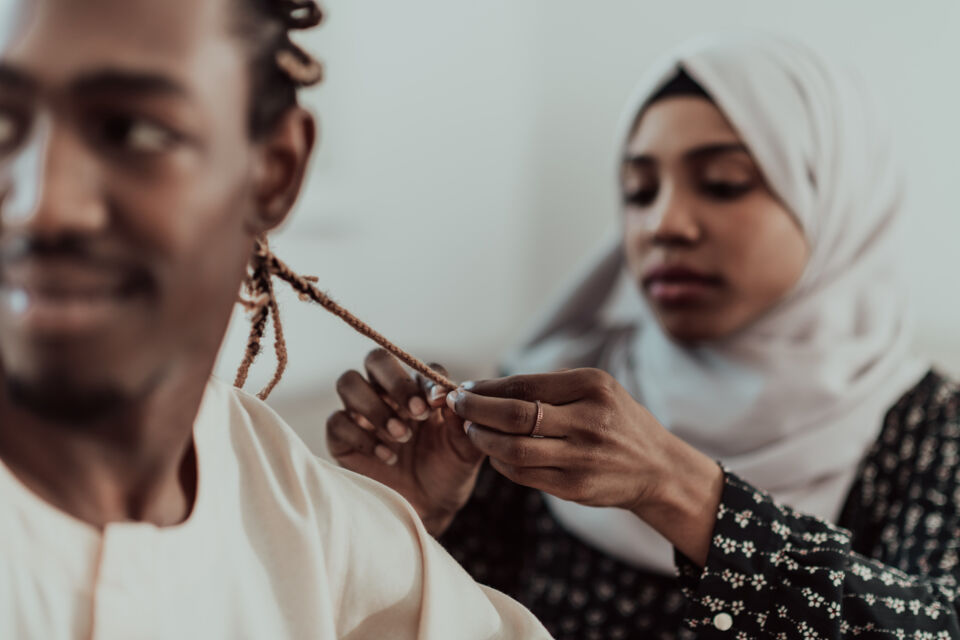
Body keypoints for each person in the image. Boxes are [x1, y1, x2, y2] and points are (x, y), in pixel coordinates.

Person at [328, 33, 960, 639]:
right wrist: (410, 525)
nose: (664, 224)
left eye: (723, 183)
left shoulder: (930, 431)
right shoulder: (551, 393)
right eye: (638, 190)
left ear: (836, 199)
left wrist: (681, 489)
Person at [0, 0, 552, 638]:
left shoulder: (310, 526)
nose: (43, 205)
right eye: (5, 126)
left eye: (134, 132)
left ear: (275, 170)